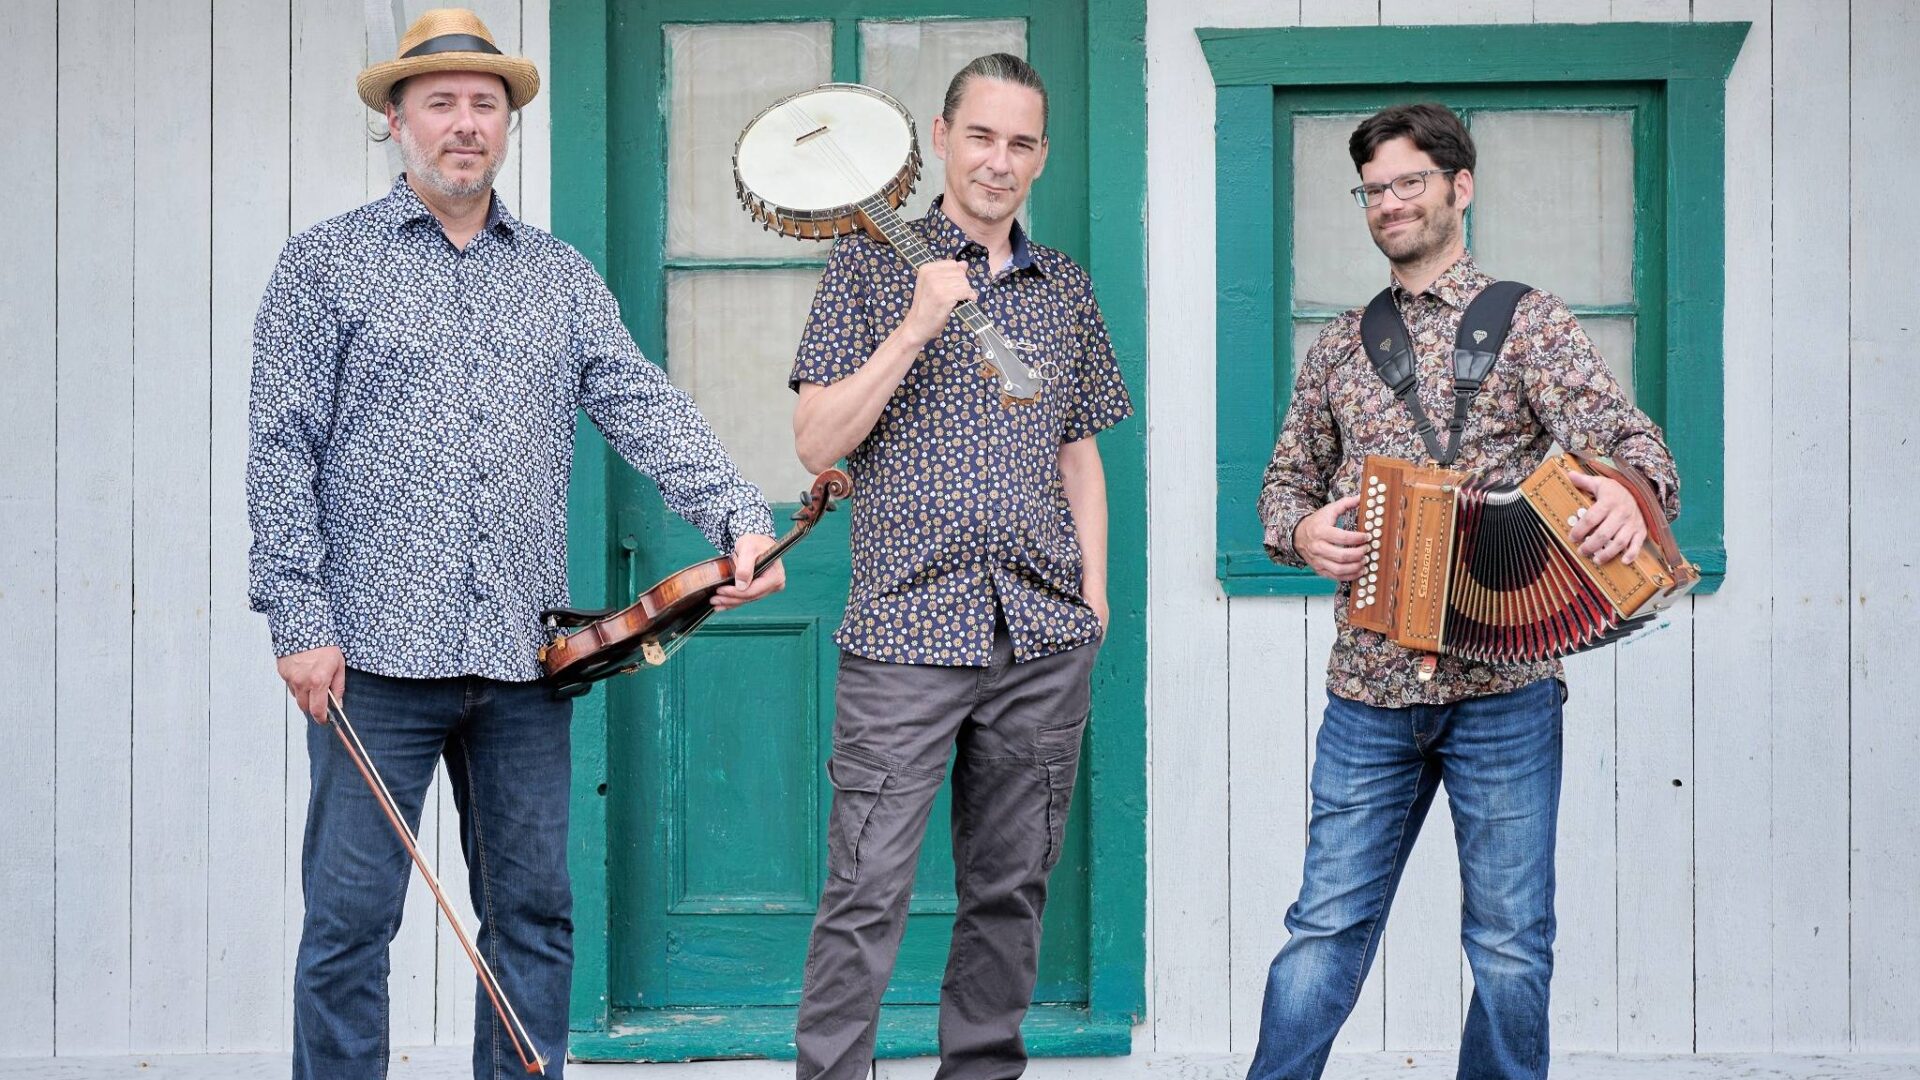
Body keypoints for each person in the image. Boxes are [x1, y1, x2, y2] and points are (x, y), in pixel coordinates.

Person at [246, 10, 785, 1078]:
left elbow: (641, 403)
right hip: (373, 660)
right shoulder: (322, 267)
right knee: (350, 928)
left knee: (535, 920)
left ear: (509, 125)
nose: (463, 124)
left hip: (524, 667)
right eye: (439, 103)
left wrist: (738, 514)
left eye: (484, 104)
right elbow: (279, 452)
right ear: (396, 122)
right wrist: (299, 623)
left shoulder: (559, 277)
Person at [1248, 103, 1681, 1080]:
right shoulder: (1338, 347)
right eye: (1373, 189)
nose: (1390, 203)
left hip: (1507, 694)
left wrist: (1627, 492)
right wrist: (1300, 530)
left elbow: (1637, 446)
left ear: (1459, 188)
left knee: (1512, 948)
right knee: (1323, 932)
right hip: (1370, 692)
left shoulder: (1530, 323)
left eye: (1409, 182)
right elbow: (1283, 488)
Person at [786, 53, 1132, 1080]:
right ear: (939, 139)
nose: (999, 160)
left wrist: (1095, 593)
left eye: (1021, 142)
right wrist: (918, 322)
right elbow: (816, 440)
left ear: (1042, 157)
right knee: (866, 889)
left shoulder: (1062, 284)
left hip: (1040, 634)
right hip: (906, 631)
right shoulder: (867, 266)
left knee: (1010, 887)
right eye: (981, 136)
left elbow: (1080, 449)